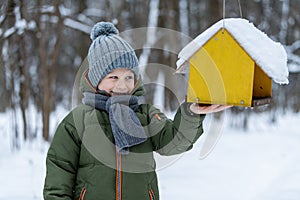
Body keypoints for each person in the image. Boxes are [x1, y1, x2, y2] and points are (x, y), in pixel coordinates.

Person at [43, 22, 230, 200]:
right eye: (113, 77)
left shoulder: (145, 115)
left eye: (128, 77)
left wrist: (192, 114)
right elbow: (60, 171)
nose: (122, 85)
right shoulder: (78, 121)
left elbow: (175, 141)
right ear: (95, 79)